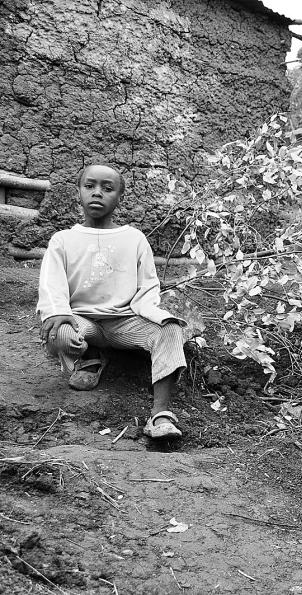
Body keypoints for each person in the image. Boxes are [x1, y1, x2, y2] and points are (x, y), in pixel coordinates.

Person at [37, 164, 187, 439]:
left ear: (120, 197)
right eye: (89, 186)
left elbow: (148, 285)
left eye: (107, 188)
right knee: (60, 333)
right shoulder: (63, 240)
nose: (97, 193)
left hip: (125, 322)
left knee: (170, 329)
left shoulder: (134, 239)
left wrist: (153, 315)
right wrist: (57, 311)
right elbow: (51, 282)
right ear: (79, 192)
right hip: (82, 321)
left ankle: (161, 414)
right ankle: (89, 357)